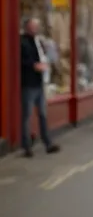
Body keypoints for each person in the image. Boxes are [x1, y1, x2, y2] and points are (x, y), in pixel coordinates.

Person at [20, 18, 61, 158]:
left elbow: (44, 56)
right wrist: (34, 66)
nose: (35, 28)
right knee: (27, 116)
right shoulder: (23, 42)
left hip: (39, 83)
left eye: (36, 25)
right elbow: (21, 60)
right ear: (27, 27)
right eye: (33, 26)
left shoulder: (38, 41)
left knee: (43, 115)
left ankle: (47, 143)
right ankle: (27, 147)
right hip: (28, 84)